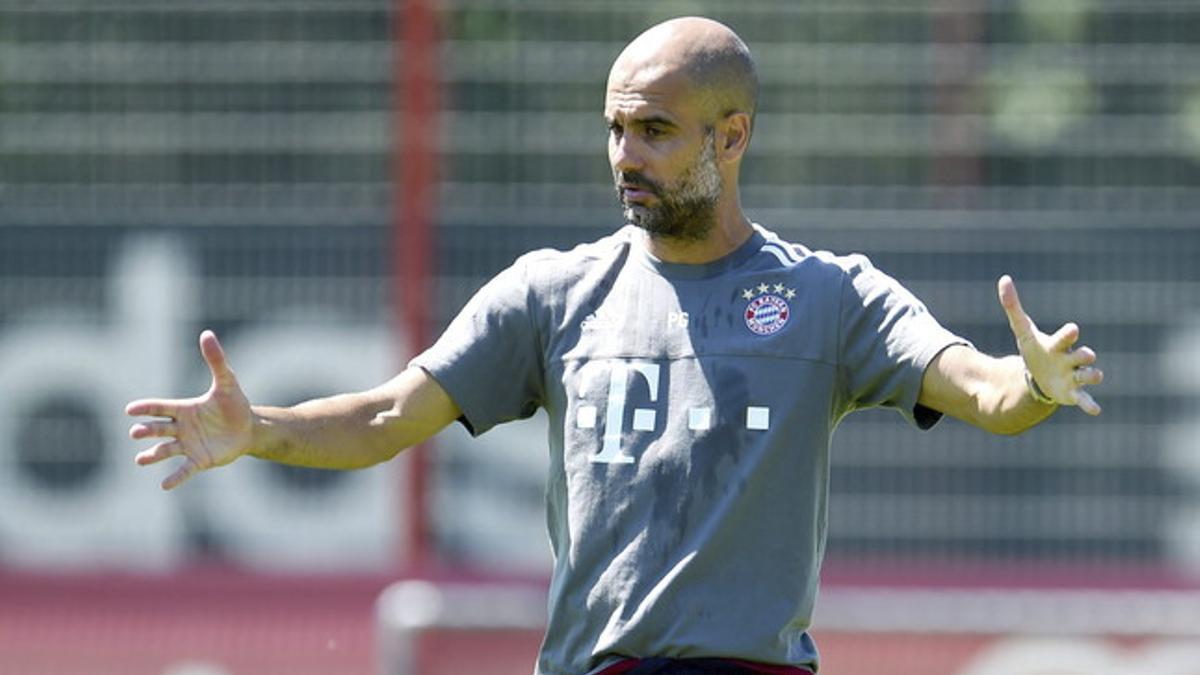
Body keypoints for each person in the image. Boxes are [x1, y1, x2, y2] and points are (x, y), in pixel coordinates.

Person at [127, 16, 1103, 675]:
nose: (626, 156)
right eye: (616, 129)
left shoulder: (827, 295)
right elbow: (387, 416)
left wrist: (1037, 383)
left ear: (733, 137)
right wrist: (259, 430)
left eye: (656, 131)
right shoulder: (553, 293)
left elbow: (982, 390)